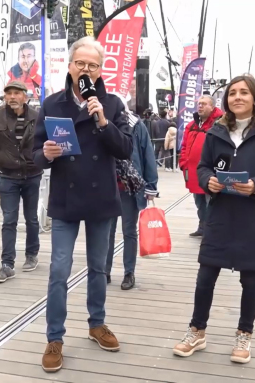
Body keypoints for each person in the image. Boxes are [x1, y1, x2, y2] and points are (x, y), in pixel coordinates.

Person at [173, 75, 255, 364]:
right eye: (232, 93)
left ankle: (244, 334)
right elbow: (203, 167)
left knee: (250, 279)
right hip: (221, 215)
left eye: (243, 93)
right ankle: (197, 330)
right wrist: (208, 182)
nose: (237, 97)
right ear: (226, 100)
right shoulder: (217, 132)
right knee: (205, 276)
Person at [32, 36, 132, 373]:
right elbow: (34, 153)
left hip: (101, 196)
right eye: (81, 63)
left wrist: (102, 121)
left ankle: (96, 324)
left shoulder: (114, 103)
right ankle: (55, 337)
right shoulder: (51, 104)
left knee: (99, 268)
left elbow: (125, 148)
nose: (86, 69)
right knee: (59, 269)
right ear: (70, 66)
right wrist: (44, 155)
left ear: (101, 70)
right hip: (65, 197)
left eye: (93, 65)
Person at [0, 81, 42, 283]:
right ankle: (7, 264)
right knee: (9, 220)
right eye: (8, 93)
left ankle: (31, 254)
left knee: (31, 218)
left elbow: (43, 143)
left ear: (24, 96)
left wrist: (37, 163)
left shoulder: (37, 117)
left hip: (32, 174)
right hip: (8, 176)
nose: (12, 96)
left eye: (16, 93)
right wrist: (1, 166)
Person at [106, 93, 158, 290]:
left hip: (130, 187)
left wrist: (151, 185)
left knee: (129, 231)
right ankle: (105, 270)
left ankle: (129, 272)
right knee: (106, 232)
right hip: (107, 187)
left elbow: (147, 154)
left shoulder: (137, 125)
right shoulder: (101, 123)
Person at [179, 95, 223, 237]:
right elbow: (184, 146)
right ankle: (203, 226)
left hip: (211, 172)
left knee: (212, 202)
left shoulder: (220, 124)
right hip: (192, 171)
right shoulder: (191, 125)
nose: (200, 106)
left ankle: (212, 229)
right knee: (199, 202)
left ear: (212, 107)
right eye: (199, 104)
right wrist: (184, 163)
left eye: (204, 104)